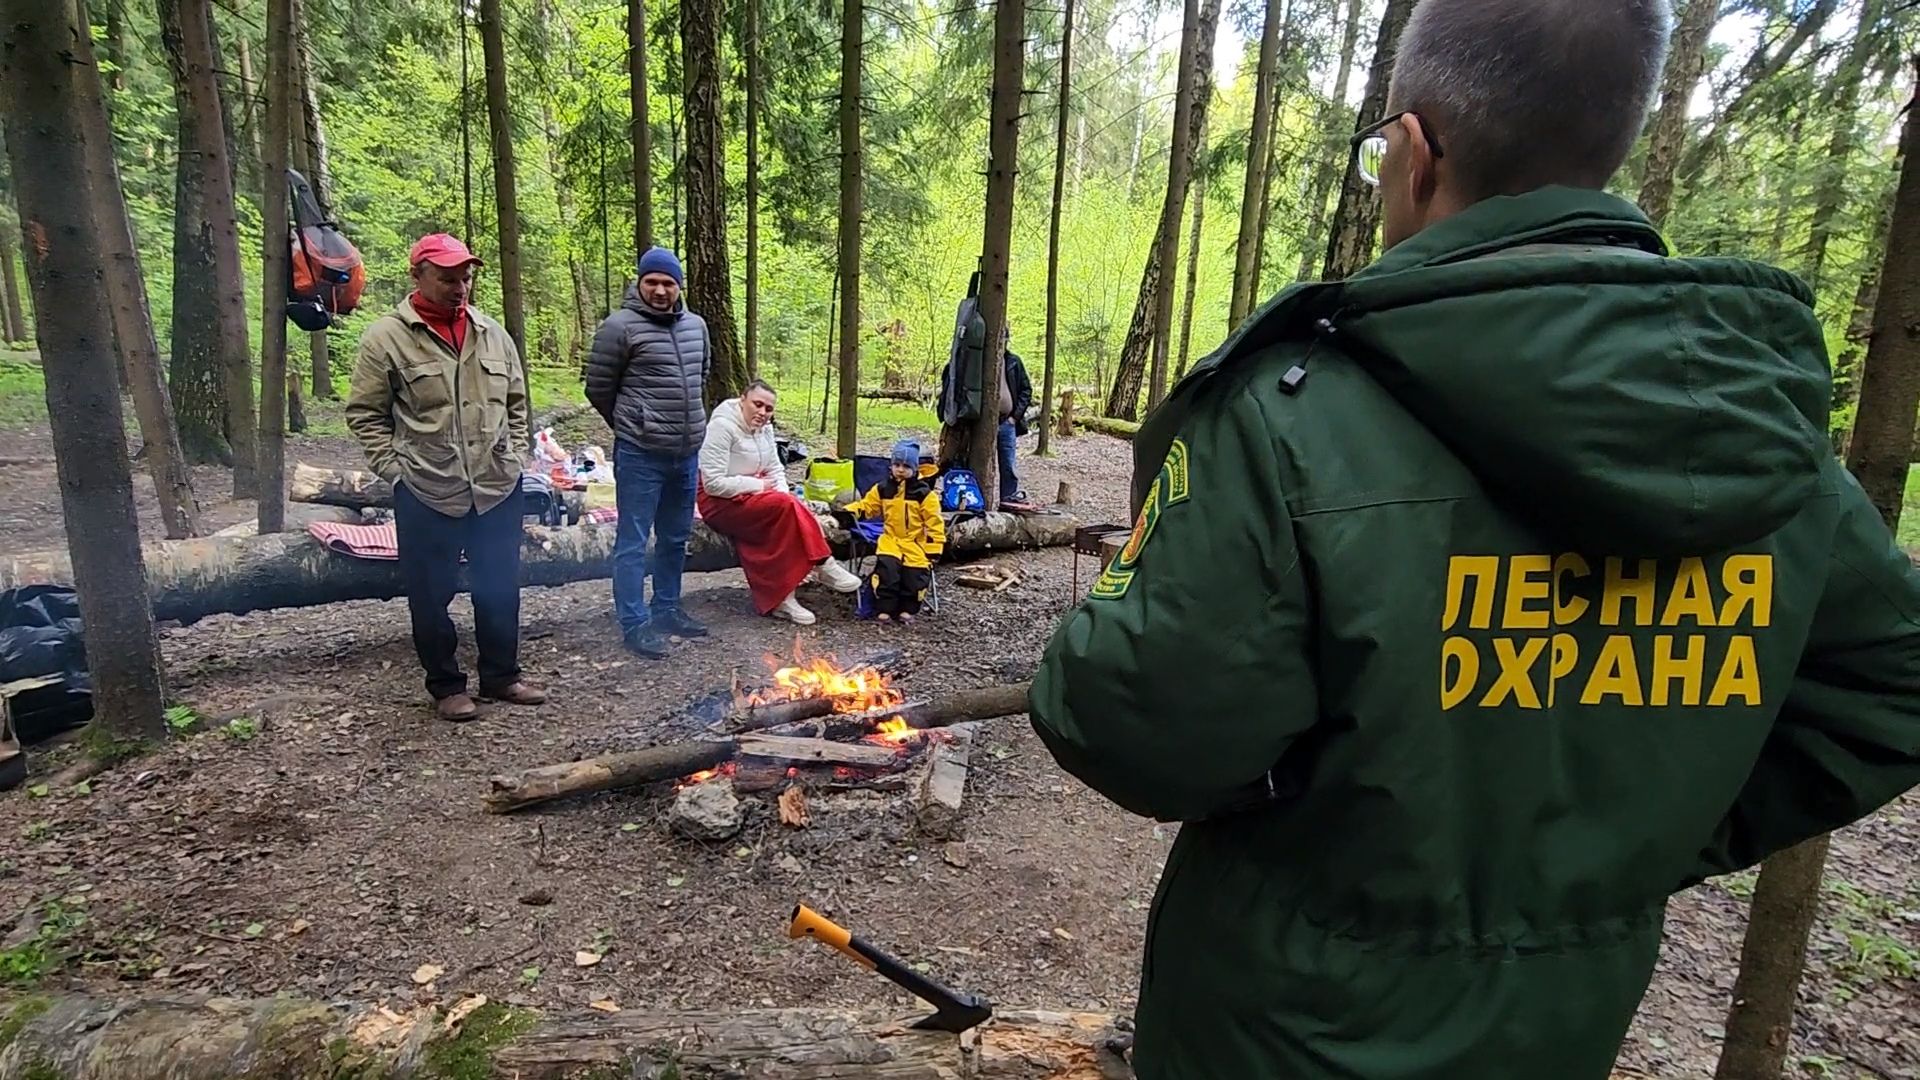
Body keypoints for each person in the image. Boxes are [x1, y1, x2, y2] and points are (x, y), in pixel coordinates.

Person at [1027, 0, 1920, 1076]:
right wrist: (1633, 842)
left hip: (1278, 1031)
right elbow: (1892, 690)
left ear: (1413, 150)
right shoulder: (1764, 452)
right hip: (1556, 1031)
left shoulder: (1295, 416)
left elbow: (1136, 726)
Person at [345, 233, 547, 722]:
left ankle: (502, 676)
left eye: (466, 278)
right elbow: (365, 414)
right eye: (447, 278)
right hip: (427, 487)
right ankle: (446, 685)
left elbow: (518, 405)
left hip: (497, 483)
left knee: (499, 586)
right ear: (418, 276)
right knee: (430, 593)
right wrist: (395, 471)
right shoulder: (386, 338)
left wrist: (516, 456)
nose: (460, 288)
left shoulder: (491, 334)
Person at [585, 246, 710, 659]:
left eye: (668, 283)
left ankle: (668, 608)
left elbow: (701, 375)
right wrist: (632, 424)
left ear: (679, 287)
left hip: (686, 452)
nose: (660, 290)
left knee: (675, 538)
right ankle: (634, 623)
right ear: (639, 283)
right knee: (633, 542)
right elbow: (599, 388)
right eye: (652, 282)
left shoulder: (696, 326)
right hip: (641, 454)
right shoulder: (619, 327)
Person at [696, 379, 862, 625]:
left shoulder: (766, 429)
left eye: (769, 409)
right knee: (784, 508)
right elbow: (713, 484)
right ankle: (822, 562)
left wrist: (781, 493)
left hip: (754, 496)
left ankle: (782, 600)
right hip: (719, 502)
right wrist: (758, 485)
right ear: (743, 400)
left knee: (784, 513)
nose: (763, 413)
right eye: (758, 404)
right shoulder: (722, 427)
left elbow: (775, 468)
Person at [849, 440, 945, 623]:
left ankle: (907, 610)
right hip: (890, 539)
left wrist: (934, 547)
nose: (900, 469)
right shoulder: (883, 489)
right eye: (897, 465)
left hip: (914, 542)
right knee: (887, 571)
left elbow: (934, 523)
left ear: (915, 469)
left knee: (915, 574)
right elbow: (868, 506)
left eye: (906, 466)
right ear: (891, 466)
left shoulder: (924, 494)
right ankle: (884, 609)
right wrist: (849, 512)